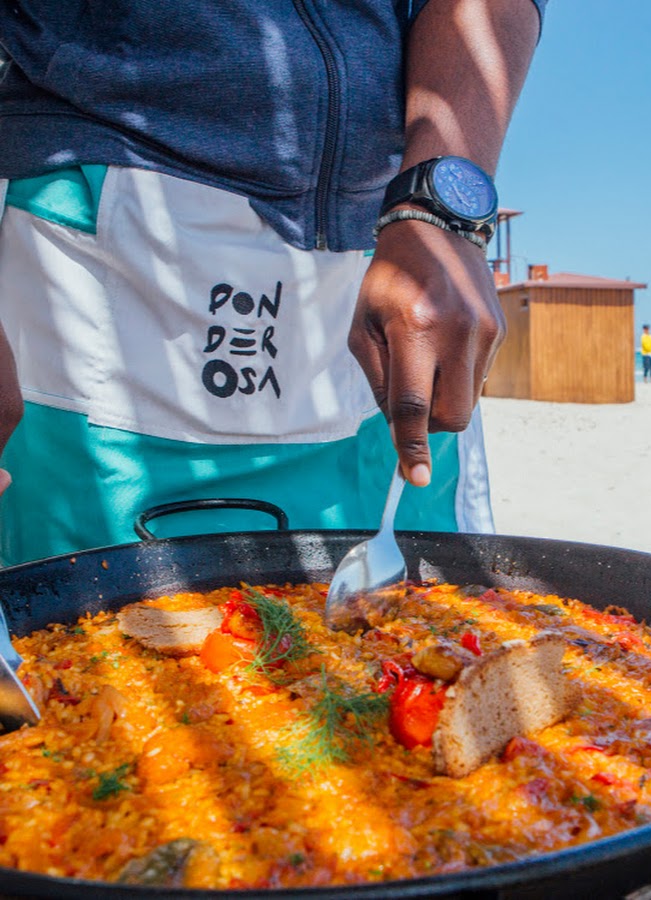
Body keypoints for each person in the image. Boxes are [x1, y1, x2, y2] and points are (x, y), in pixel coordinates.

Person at [0, 2, 547, 566]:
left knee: (423, 606)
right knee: (83, 600)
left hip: (388, 254)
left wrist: (440, 208)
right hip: (99, 252)